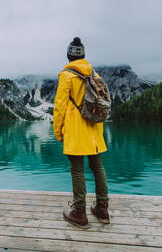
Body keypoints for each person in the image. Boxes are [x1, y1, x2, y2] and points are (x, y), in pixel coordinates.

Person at [53, 37, 110, 229]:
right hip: (94, 129)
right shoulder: (94, 73)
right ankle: (102, 208)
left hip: (76, 130)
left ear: (68, 56)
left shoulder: (66, 75)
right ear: (84, 55)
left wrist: (58, 131)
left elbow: (60, 106)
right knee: (97, 167)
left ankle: (79, 213)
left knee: (77, 170)